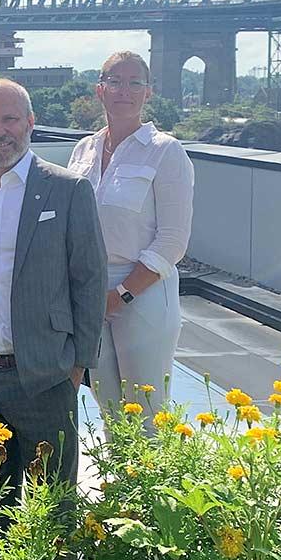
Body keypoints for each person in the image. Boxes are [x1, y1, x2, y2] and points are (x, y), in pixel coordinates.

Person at [0, 79, 107, 499]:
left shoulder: (68, 190)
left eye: (10, 119)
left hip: (45, 376)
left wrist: (78, 366)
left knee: (53, 507)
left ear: (30, 122)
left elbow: (89, 279)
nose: (0, 131)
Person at [67, 52, 195, 420]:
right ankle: (117, 480)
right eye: (115, 81)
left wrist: (122, 294)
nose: (124, 90)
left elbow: (173, 240)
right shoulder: (83, 150)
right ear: (99, 90)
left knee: (148, 411)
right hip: (92, 290)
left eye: (134, 82)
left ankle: (149, 480)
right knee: (109, 407)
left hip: (143, 291)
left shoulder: (165, 151)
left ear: (148, 93)